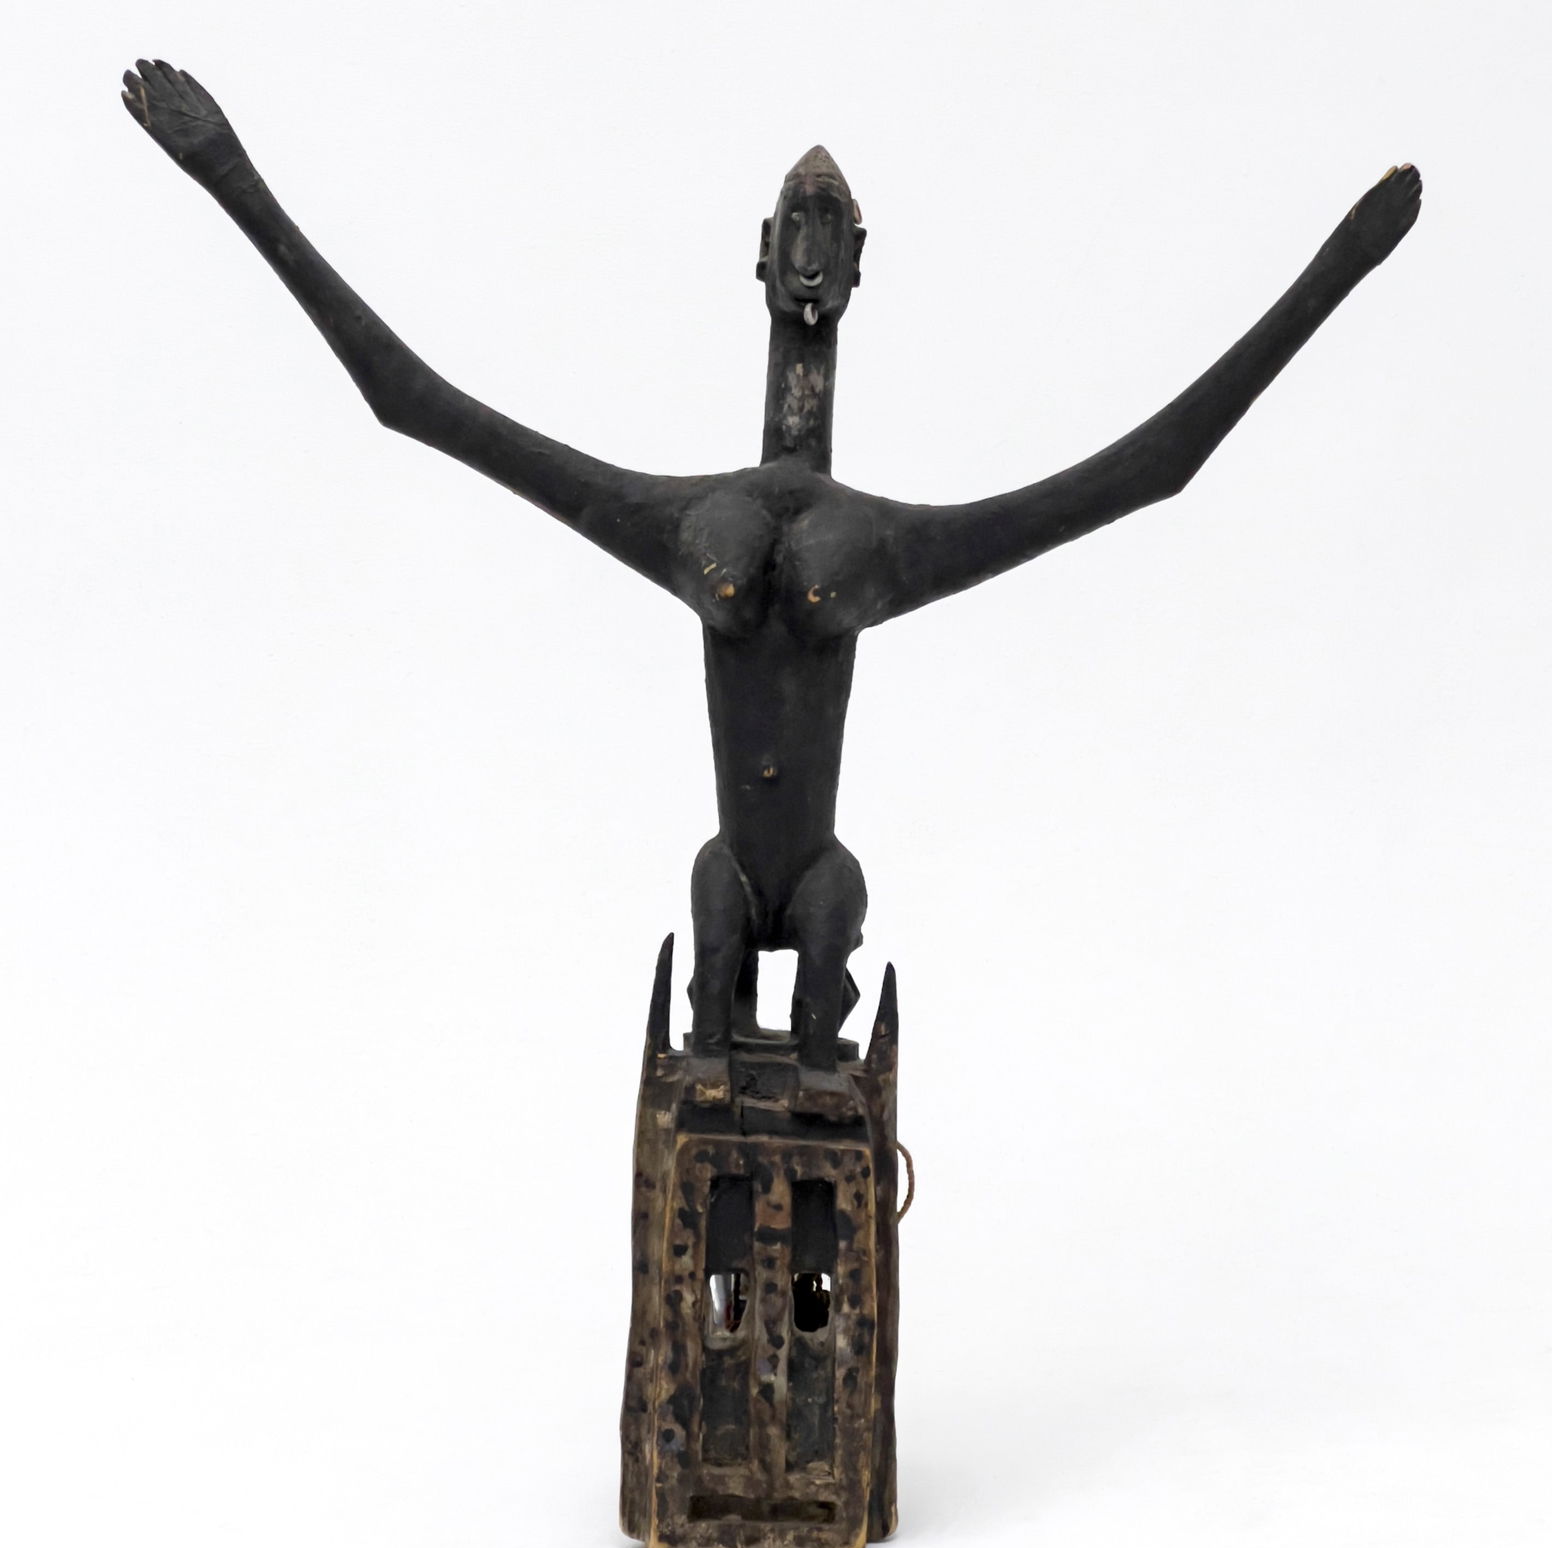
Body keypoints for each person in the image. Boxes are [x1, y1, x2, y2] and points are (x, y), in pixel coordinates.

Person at [122, 59, 1422, 1084]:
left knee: (815, 1032)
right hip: (729, 879)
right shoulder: (688, 520)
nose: (809, 246)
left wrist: (1342, 266)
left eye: (829, 227)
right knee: (711, 1005)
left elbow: (1152, 467)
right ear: (759, 252)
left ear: (858, 263)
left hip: (821, 881)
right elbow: (411, 399)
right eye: (795, 223)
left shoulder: (885, 544)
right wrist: (230, 175)